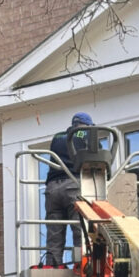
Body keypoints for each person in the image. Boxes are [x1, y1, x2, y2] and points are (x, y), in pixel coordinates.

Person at [44, 112, 94, 267]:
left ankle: (53, 266)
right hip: (72, 184)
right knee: (79, 229)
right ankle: (82, 265)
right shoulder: (85, 134)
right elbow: (97, 156)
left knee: (54, 233)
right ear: (86, 125)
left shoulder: (58, 137)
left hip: (52, 189)